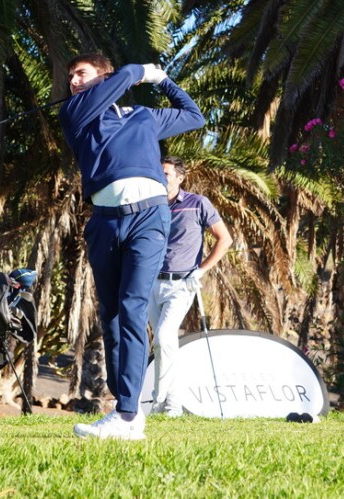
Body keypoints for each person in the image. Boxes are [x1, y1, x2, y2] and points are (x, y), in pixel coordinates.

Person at [60, 54, 205, 440]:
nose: (73, 81)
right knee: (111, 315)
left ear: (102, 75)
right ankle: (128, 410)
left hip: (149, 218)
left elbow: (194, 115)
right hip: (105, 221)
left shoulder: (142, 116)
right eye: (70, 76)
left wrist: (163, 82)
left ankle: (127, 416)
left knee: (132, 307)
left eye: (81, 73)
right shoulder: (78, 112)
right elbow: (122, 79)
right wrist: (139, 71)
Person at [150, 156, 233, 416]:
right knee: (163, 343)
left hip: (182, 283)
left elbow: (225, 239)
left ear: (179, 177)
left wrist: (200, 271)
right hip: (152, 282)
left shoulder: (198, 204)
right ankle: (172, 406)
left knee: (164, 338)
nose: (160, 177)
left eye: (165, 173)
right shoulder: (150, 205)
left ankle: (158, 400)